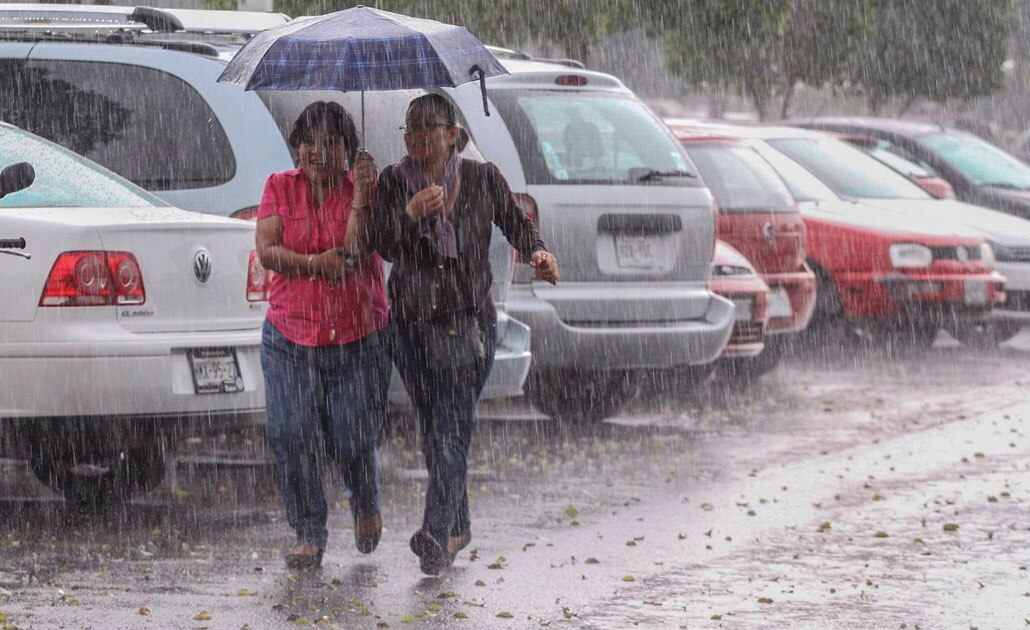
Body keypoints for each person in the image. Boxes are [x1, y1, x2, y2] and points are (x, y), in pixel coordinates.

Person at [347, 93, 559, 575]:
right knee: (435, 429)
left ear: (453, 135)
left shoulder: (482, 179)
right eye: (411, 128)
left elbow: (518, 226)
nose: (418, 137)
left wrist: (539, 254)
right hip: (411, 328)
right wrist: (409, 214)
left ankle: (436, 530)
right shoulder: (393, 182)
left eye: (428, 127)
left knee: (451, 428)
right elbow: (382, 247)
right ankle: (459, 526)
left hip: (468, 323)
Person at [256, 101, 389, 570]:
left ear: (348, 149)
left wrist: (362, 197)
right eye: (309, 142)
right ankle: (309, 531)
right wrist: (314, 264)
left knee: (351, 437)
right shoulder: (279, 187)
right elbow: (268, 251)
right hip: (290, 336)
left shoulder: (364, 190)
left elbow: (356, 249)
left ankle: (365, 500)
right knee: (291, 434)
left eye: (331, 143)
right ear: (296, 147)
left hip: (357, 336)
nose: (319, 151)